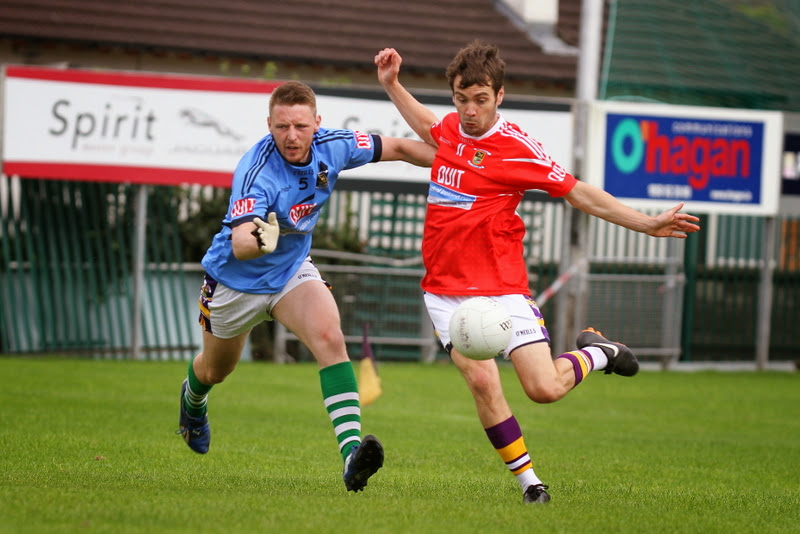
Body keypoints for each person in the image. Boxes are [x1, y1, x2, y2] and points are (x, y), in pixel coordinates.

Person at [374, 41, 700, 503]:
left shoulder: (517, 148)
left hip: (502, 289)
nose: (470, 111)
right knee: (483, 383)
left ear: (500, 96)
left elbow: (580, 193)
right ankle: (531, 484)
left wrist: (647, 223)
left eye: (480, 100)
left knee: (544, 389)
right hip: (446, 293)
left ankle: (600, 352)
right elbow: (429, 125)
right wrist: (392, 85)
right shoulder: (450, 130)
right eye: (461, 99)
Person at [176, 80, 436, 493]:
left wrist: (457, 163)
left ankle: (352, 456)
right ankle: (192, 402)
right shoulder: (257, 169)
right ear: (269, 124)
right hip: (234, 283)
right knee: (216, 370)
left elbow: (403, 148)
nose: (291, 136)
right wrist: (269, 235)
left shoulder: (334, 145)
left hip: (291, 272)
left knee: (331, 337)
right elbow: (242, 243)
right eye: (281, 127)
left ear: (317, 123)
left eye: (300, 126)